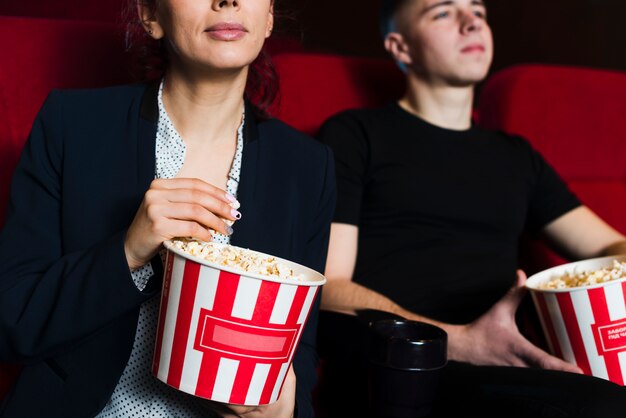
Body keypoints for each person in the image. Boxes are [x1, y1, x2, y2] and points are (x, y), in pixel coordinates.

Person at [0, 0, 335, 417]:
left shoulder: (309, 167)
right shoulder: (71, 125)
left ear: (268, 17)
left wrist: (287, 406)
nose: (227, 1)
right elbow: (11, 318)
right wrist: (128, 250)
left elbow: (300, 342)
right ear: (150, 16)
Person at [316, 0, 626, 416]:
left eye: (478, 11)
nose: (471, 23)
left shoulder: (517, 157)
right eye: (443, 12)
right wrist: (460, 340)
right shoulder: (355, 134)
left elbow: (610, 246)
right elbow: (329, 286)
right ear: (401, 47)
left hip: (509, 357)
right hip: (404, 363)